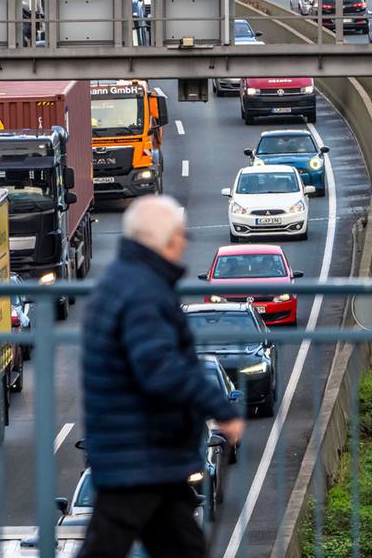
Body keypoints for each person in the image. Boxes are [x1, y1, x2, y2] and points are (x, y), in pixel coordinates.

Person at [79, 195, 245, 558]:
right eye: (181, 234)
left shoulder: (124, 281)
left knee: (177, 545)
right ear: (165, 239)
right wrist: (222, 408)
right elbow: (160, 369)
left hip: (142, 452)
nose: (185, 242)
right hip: (141, 453)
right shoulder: (143, 293)